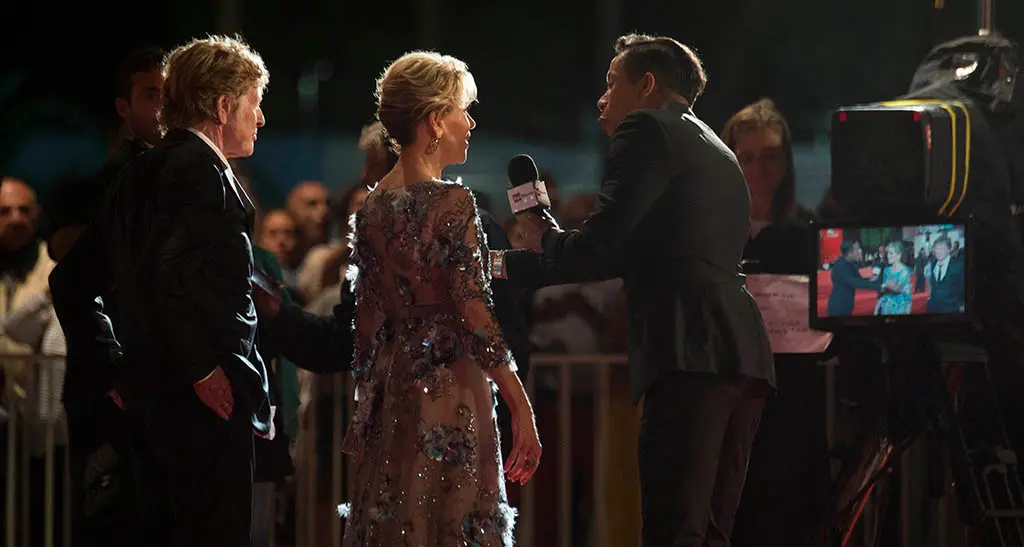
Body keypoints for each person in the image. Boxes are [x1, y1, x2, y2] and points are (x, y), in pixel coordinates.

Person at [500, 33, 775, 546]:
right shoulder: (712, 145)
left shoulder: (645, 127)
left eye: (610, 84)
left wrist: (538, 239)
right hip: (742, 355)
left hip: (689, 350)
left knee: (674, 531)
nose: (602, 100)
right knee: (707, 533)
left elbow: (602, 246)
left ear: (647, 85)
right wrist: (519, 262)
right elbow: (631, 252)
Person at [50, 35, 271, 547]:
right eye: (254, 104)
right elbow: (164, 275)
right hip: (202, 409)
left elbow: (71, 282)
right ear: (223, 105)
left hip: (153, 406)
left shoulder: (137, 172)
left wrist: (118, 368)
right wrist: (203, 370)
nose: (259, 119)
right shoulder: (198, 169)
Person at [338, 51, 541, 547]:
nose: (470, 123)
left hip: (392, 391)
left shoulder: (371, 207)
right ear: (433, 120)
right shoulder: (452, 201)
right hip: (452, 390)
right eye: (462, 110)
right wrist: (519, 403)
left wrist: (365, 411)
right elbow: (474, 309)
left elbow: (366, 326)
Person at [826, 240, 881, 317]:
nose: (859, 252)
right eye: (857, 249)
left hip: (846, 306)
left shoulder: (850, 264)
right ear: (849, 253)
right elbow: (855, 282)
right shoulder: (840, 265)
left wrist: (875, 280)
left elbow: (860, 280)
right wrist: (880, 286)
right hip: (838, 308)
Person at [926, 236, 965, 313]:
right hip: (933, 308)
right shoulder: (933, 264)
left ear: (949, 249)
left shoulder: (959, 266)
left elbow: (963, 286)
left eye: (942, 248)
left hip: (951, 309)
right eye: (936, 248)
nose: (938, 251)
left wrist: (962, 304)